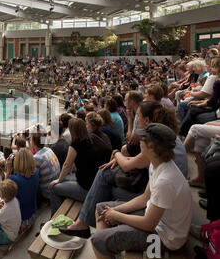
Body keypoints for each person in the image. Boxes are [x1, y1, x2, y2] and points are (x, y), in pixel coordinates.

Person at [60, 101, 188, 239]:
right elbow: (131, 159)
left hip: (160, 204)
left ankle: (87, 225)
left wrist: (116, 154)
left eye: (137, 116)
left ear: (146, 120)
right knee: (106, 174)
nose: (136, 118)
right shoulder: (163, 138)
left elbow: (128, 164)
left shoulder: (156, 145)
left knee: (105, 182)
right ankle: (91, 227)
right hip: (158, 194)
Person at [88, 123, 192, 259]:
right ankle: (105, 254)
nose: (138, 140)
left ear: (151, 148)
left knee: (96, 240)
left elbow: (149, 224)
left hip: (165, 237)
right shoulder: (157, 163)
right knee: (101, 209)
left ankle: (103, 248)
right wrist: (114, 212)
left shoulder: (165, 181)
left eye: (142, 139)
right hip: (156, 219)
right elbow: (144, 198)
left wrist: (117, 215)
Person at [49, 118, 109, 216]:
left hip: (85, 188)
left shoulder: (76, 143)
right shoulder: (88, 139)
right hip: (91, 183)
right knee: (62, 180)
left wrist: (59, 180)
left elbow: (67, 165)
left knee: (54, 188)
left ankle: (54, 217)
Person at [6, 148, 39, 232]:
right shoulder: (36, 172)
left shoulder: (14, 179)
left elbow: (3, 191)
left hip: (20, 221)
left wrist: (8, 170)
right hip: (32, 215)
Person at [30, 131, 61, 202]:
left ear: (34, 143)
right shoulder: (48, 150)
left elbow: (32, 178)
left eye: (30, 139)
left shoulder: (37, 158)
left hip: (48, 193)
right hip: (56, 186)